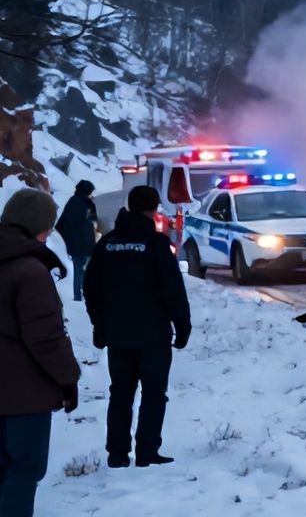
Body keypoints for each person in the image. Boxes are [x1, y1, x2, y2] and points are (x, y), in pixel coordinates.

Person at [0, 188, 81, 517]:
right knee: (26, 467)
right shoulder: (30, 271)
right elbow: (46, 338)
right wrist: (67, 380)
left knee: (8, 463)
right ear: (37, 227)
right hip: (27, 390)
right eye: (47, 225)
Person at [83, 185, 191, 469]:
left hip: (118, 335)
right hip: (153, 335)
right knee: (153, 394)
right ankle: (147, 451)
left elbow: (91, 288)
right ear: (154, 209)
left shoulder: (107, 243)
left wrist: (99, 325)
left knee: (120, 393)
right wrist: (182, 325)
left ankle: (117, 454)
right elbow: (172, 289)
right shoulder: (156, 245)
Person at [55, 180, 98, 302]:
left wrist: (68, 240)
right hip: (86, 244)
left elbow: (61, 224)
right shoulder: (87, 203)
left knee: (79, 271)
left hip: (76, 244)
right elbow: (93, 220)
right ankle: (83, 295)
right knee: (85, 271)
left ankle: (79, 295)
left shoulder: (73, 202)